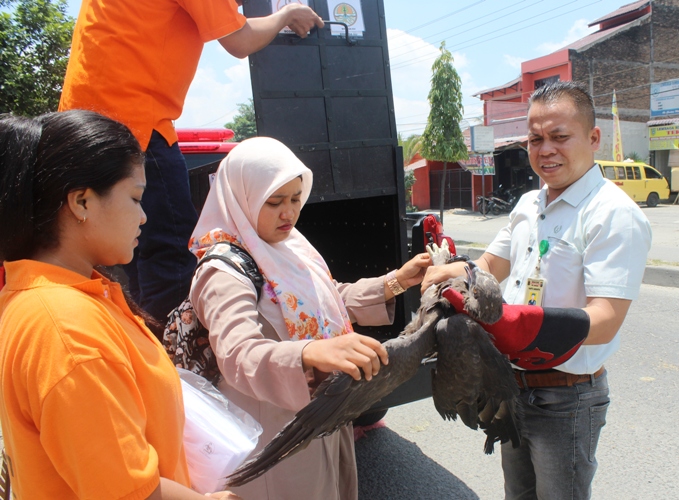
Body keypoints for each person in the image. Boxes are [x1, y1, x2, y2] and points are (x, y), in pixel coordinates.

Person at [421, 81, 652, 499]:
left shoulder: (613, 214)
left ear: (593, 138)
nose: (546, 150)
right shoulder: (529, 203)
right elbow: (491, 265)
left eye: (560, 137)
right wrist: (450, 270)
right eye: (535, 139)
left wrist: (525, 325)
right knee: (518, 495)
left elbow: (606, 320)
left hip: (567, 399)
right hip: (511, 385)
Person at [0, 110, 239, 499]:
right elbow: (128, 492)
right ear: (81, 202)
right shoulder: (65, 326)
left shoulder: (57, 296)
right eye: (134, 198)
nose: (144, 217)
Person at [188, 137, 432, 499]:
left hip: (319, 417)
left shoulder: (291, 246)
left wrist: (397, 281)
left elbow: (327, 301)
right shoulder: (223, 270)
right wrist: (308, 354)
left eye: (295, 199)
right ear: (242, 198)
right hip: (275, 438)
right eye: (274, 202)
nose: (289, 213)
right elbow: (238, 354)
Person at [59, 0, 324, 326]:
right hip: (135, 122)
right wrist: (285, 14)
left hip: (84, 124)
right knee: (170, 251)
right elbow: (240, 40)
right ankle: (178, 365)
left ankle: (149, 347)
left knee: (130, 252)